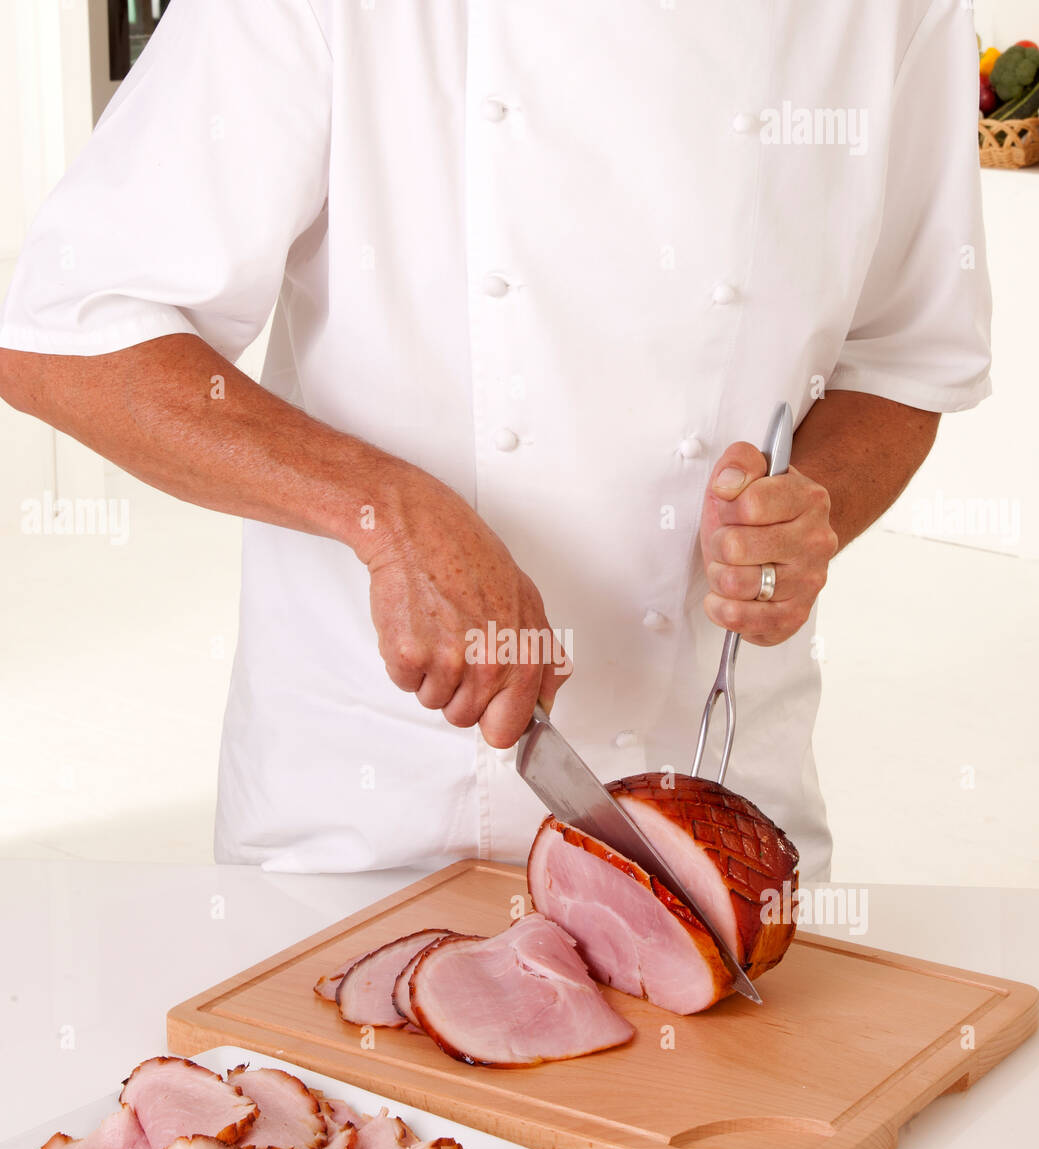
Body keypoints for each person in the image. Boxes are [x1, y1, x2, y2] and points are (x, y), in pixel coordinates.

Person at [0, 1, 991, 880]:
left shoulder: (894, 12)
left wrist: (810, 505)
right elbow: (68, 337)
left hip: (715, 802)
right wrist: (384, 514)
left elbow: (899, 358)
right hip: (382, 804)